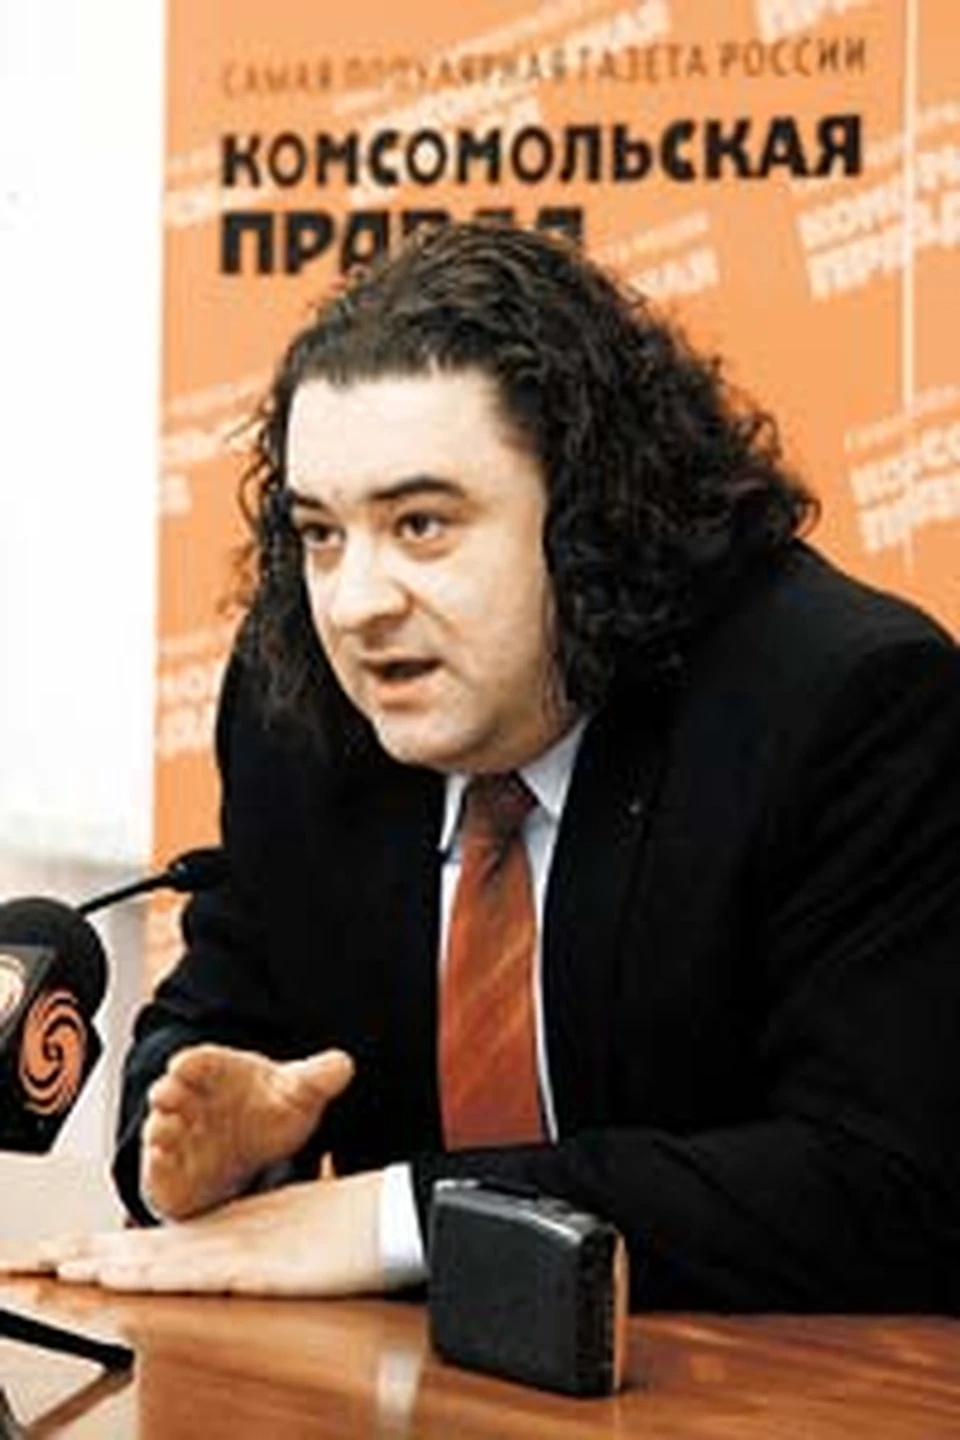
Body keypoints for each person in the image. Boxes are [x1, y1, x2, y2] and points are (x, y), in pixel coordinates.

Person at [18, 223, 960, 1308]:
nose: (355, 604)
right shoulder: (300, 707)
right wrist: (200, 1149)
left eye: (421, 525)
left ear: (594, 517)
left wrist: (398, 1216)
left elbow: (887, 1184)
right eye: (321, 534)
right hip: (413, 1378)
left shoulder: (841, 706)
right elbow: (226, 1001)